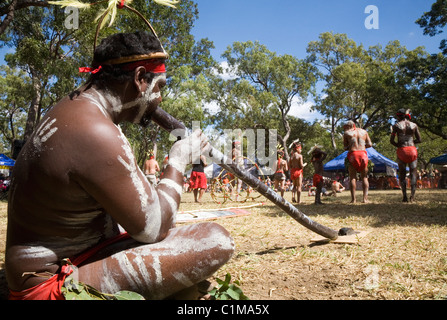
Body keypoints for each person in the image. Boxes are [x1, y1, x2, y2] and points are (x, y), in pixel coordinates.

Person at [5, 31, 234, 300]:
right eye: (159, 87)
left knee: (187, 280)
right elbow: (155, 229)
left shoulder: (76, 110)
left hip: (78, 258)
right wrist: (178, 160)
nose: (159, 99)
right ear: (139, 79)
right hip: (50, 286)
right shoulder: (95, 130)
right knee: (215, 241)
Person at [390, 109, 422, 202]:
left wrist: (399, 146)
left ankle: (404, 196)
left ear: (398, 116)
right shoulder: (414, 125)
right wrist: (412, 143)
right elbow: (419, 139)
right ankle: (412, 197)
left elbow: (392, 141)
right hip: (412, 150)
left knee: (402, 175)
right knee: (413, 174)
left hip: (402, 150)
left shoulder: (396, 126)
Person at [343, 120, 372, 203]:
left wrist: (352, 146)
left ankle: (353, 199)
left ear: (349, 126)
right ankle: (365, 199)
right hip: (363, 154)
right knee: (364, 177)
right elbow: (370, 144)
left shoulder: (347, 133)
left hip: (353, 154)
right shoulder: (364, 131)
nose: (345, 129)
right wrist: (362, 146)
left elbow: (345, 147)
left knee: (352, 177)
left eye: (345, 127)